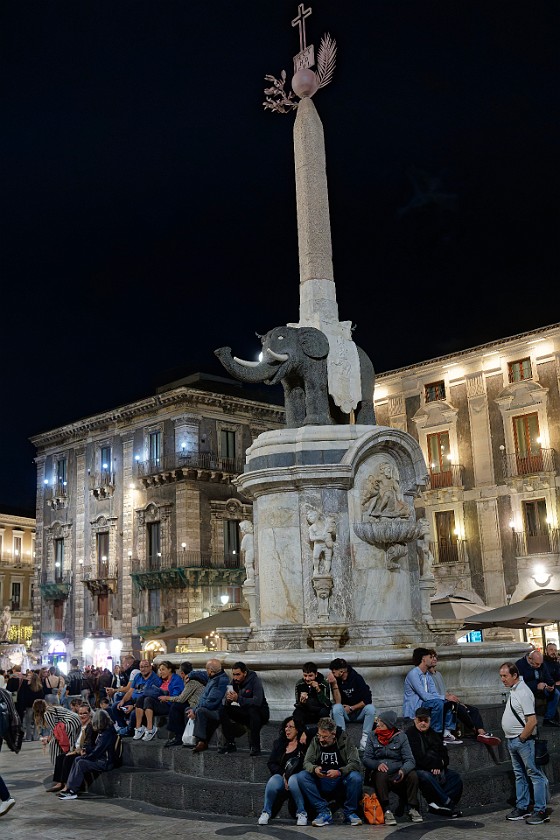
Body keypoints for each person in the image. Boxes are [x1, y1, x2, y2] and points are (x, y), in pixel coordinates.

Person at [499, 661, 550, 824]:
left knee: (534, 775)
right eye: (501, 676)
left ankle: (540, 810)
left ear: (514, 675)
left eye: (505, 676)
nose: (502, 679)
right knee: (520, 775)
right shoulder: (514, 690)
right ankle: (522, 807)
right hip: (513, 740)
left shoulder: (523, 691)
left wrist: (521, 738)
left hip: (523, 741)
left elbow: (532, 720)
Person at [296, 716, 363, 827]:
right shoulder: (316, 740)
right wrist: (314, 768)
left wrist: (340, 772)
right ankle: (324, 812)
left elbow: (355, 763)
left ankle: (350, 812)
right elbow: (307, 762)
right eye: (320, 736)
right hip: (322, 779)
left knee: (356, 777)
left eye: (325, 737)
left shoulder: (345, 739)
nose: (321, 739)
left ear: (333, 734)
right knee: (302, 776)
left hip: (340, 780)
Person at [362, 709, 422, 825]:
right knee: (380, 774)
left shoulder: (401, 737)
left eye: (381, 723)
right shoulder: (372, 736)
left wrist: (403, 770)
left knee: (413, 775)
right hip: (382, 772)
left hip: (398, 771)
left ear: (389, 725)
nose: (378, 724)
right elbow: (366, 758)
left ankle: (413, 808)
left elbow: (410, 760)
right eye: (378, 721)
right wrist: (377, 764)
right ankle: (387, 809)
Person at [428, 656, 500, 745]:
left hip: (448, 699)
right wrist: (448, 697)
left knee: (473, 710)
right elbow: (433, 694)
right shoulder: (427, 676)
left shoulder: (438, 674)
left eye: (435, 657)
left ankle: (481, 731)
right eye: (431, 657)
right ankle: (477, 732)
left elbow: (444, 690)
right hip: (442, 702)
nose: (434, 659)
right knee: (460, 709)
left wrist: (454, 698)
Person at [406, 707, 463, 818]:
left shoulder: (434, 734)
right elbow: (417, 757)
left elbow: (445, 755)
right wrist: (433, 765)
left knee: (455, 777)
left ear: (430, 721)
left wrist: (439, 764)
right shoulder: (410, 734)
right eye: (420, 720)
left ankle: (437, 805)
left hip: (437, 767)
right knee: (425, 776)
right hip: (419, 768)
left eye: (425, 720)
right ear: (415, 720)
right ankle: (447, 803)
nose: (423, 723)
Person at [257, 716, 309, 826]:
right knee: (272, 781)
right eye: (286, 727)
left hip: (298, 778)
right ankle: (266, 812)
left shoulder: (303, 744)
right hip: (282, 776)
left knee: (293, 780)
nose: (287, 729)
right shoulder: (279, 743)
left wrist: (305, 732)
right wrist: (284, 774)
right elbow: (271, 763)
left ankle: (301, 813)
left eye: (290, 727)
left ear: (297, 729)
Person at [57, 709, 118, 799]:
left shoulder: (107, 734)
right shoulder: (103, 732)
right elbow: (97, 748)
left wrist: (86, 756)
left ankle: (73, 791)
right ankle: (70, 788)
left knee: (81, 763)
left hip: (105, 762)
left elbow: (97, 752)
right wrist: (87, 750)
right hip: (100, 758)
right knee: (77, 759)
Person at [402, 648, 459, 742]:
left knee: (449, 703)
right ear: (423, 658)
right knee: (439, 703)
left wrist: (446, 698)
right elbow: (424, 695)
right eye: (430, 657)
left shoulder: (427, 675)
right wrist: (444, 697)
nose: (432, 659)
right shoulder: (413, 674)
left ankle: (446, 732)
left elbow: (434, 693)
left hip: (428, 703)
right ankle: (435, 733)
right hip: (417, 706)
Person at [219, 661, 270, 756]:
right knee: (223, 709)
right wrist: (228, 700)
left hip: (260, 712)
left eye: (238, 674)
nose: (235, 677)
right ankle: (230, 743)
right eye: (234, 675)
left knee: (252, 710)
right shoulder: (234, 682)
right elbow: (226, 700)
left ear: (245, 673)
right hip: (245, 712)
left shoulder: (255, 681)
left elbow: (257, 701)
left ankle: (255, 747)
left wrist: (238, 698)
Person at [327, 657, 375, 751]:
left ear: (341, 672)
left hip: (358, 713)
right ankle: (342, 738)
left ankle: (365, 740)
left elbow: (367, 700)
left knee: (370, 709)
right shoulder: (336, 681)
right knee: (336, 708)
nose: (332, 674)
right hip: (345, 714)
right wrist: (334, 685)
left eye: (333, 672)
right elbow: (338, 702)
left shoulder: (357, 678)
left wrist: (352, 708)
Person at [46, 704, 94, 793]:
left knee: (68, 758)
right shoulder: (80, 726)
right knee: (60, 757)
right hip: (76, 749)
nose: (82, 715)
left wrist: (75, 752)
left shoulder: (90, 726)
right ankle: (60, 783)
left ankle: (67, 785)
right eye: (80, 713)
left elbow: (88, 744)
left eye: (85, 713)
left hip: (83, 752)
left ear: (89, 714)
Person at [133, 660, 182, 742]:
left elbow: (176, 696)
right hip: (159, 702)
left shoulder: (176, 680)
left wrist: (166, 697)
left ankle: (150, 729)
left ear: (169, 670)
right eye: (160, 670)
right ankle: (138, 728)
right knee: (141, 698)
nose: (161, 672)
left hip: (169, 705)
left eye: (163, 669)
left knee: (148, 700)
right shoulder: (160, 680)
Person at [189, 658, 229, 753]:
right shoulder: (213, 676)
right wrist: (191, 674)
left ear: (210, 671)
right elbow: (202, 674)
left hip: (217, 711)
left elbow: (211, 702)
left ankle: (201, 741)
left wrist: (195, 710)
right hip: (208, 708)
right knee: (187, 709)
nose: (206, 671)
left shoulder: (220, 681)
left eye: (207, 669)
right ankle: (187, 739)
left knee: (200, 711)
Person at [113, 659, 160, 737]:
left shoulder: (154, 679)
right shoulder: (138, 676)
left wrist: (133, 706)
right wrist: (123, 701)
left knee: (134, 713)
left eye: (145, 666)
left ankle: (129, 730)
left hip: (143, 704)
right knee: (115, 706)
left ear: (150, 667)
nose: (143, 669)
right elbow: (130, 691)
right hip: (133, 700)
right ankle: (123, 726)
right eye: (141, 667)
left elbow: (147, 697)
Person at [164, 665, 208, 748]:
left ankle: (178, 737)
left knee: (176, 706)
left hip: (196, 705)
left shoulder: (192, 682)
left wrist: (167, 698)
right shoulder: (192, 680)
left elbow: (181, 699)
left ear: (182, 673)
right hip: (193, 704)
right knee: (177, 706)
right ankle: (177, 735)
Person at [516, 649, 560, 727]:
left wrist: (550, 686)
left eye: (540, 664)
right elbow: (519, 684)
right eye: (536, 664)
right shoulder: (520, 665)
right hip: (527, 690)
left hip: (542, 687)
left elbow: (548, 677)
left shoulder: (541, 664)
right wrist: (535, 686)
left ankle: (548, 718)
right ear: (530, 659)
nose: (539, 666)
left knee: (555, 693)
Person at [33, 698, 82, 767]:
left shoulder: (47, 714)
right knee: (71, 744)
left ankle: (57, 766)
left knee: (53, 744)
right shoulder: (52, 708)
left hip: (70, 723)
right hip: (76, 720)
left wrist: (47, 740)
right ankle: (65, 765)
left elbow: (55, 731)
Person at [293, 662, 332, 731]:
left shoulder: (323, 684)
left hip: (319, 710)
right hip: (306, 710)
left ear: (316, 674)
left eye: (310, 676)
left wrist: (318, 690)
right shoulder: (299, 684)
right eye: (305, 676)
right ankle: (301, 733)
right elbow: (297, 704)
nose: (307, 679)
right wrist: (301, 702)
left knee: (324, 712)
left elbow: (327, 704)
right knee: (297, 713)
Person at [16, 670, 45, 741]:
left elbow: (24, 697)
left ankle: (28, 737)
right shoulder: (40, 688)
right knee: (36, 723)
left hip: (29, 707)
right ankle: (36, 737)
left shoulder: (28, 687)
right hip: (38, 707)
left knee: (28, 723)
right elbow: (42, 697)